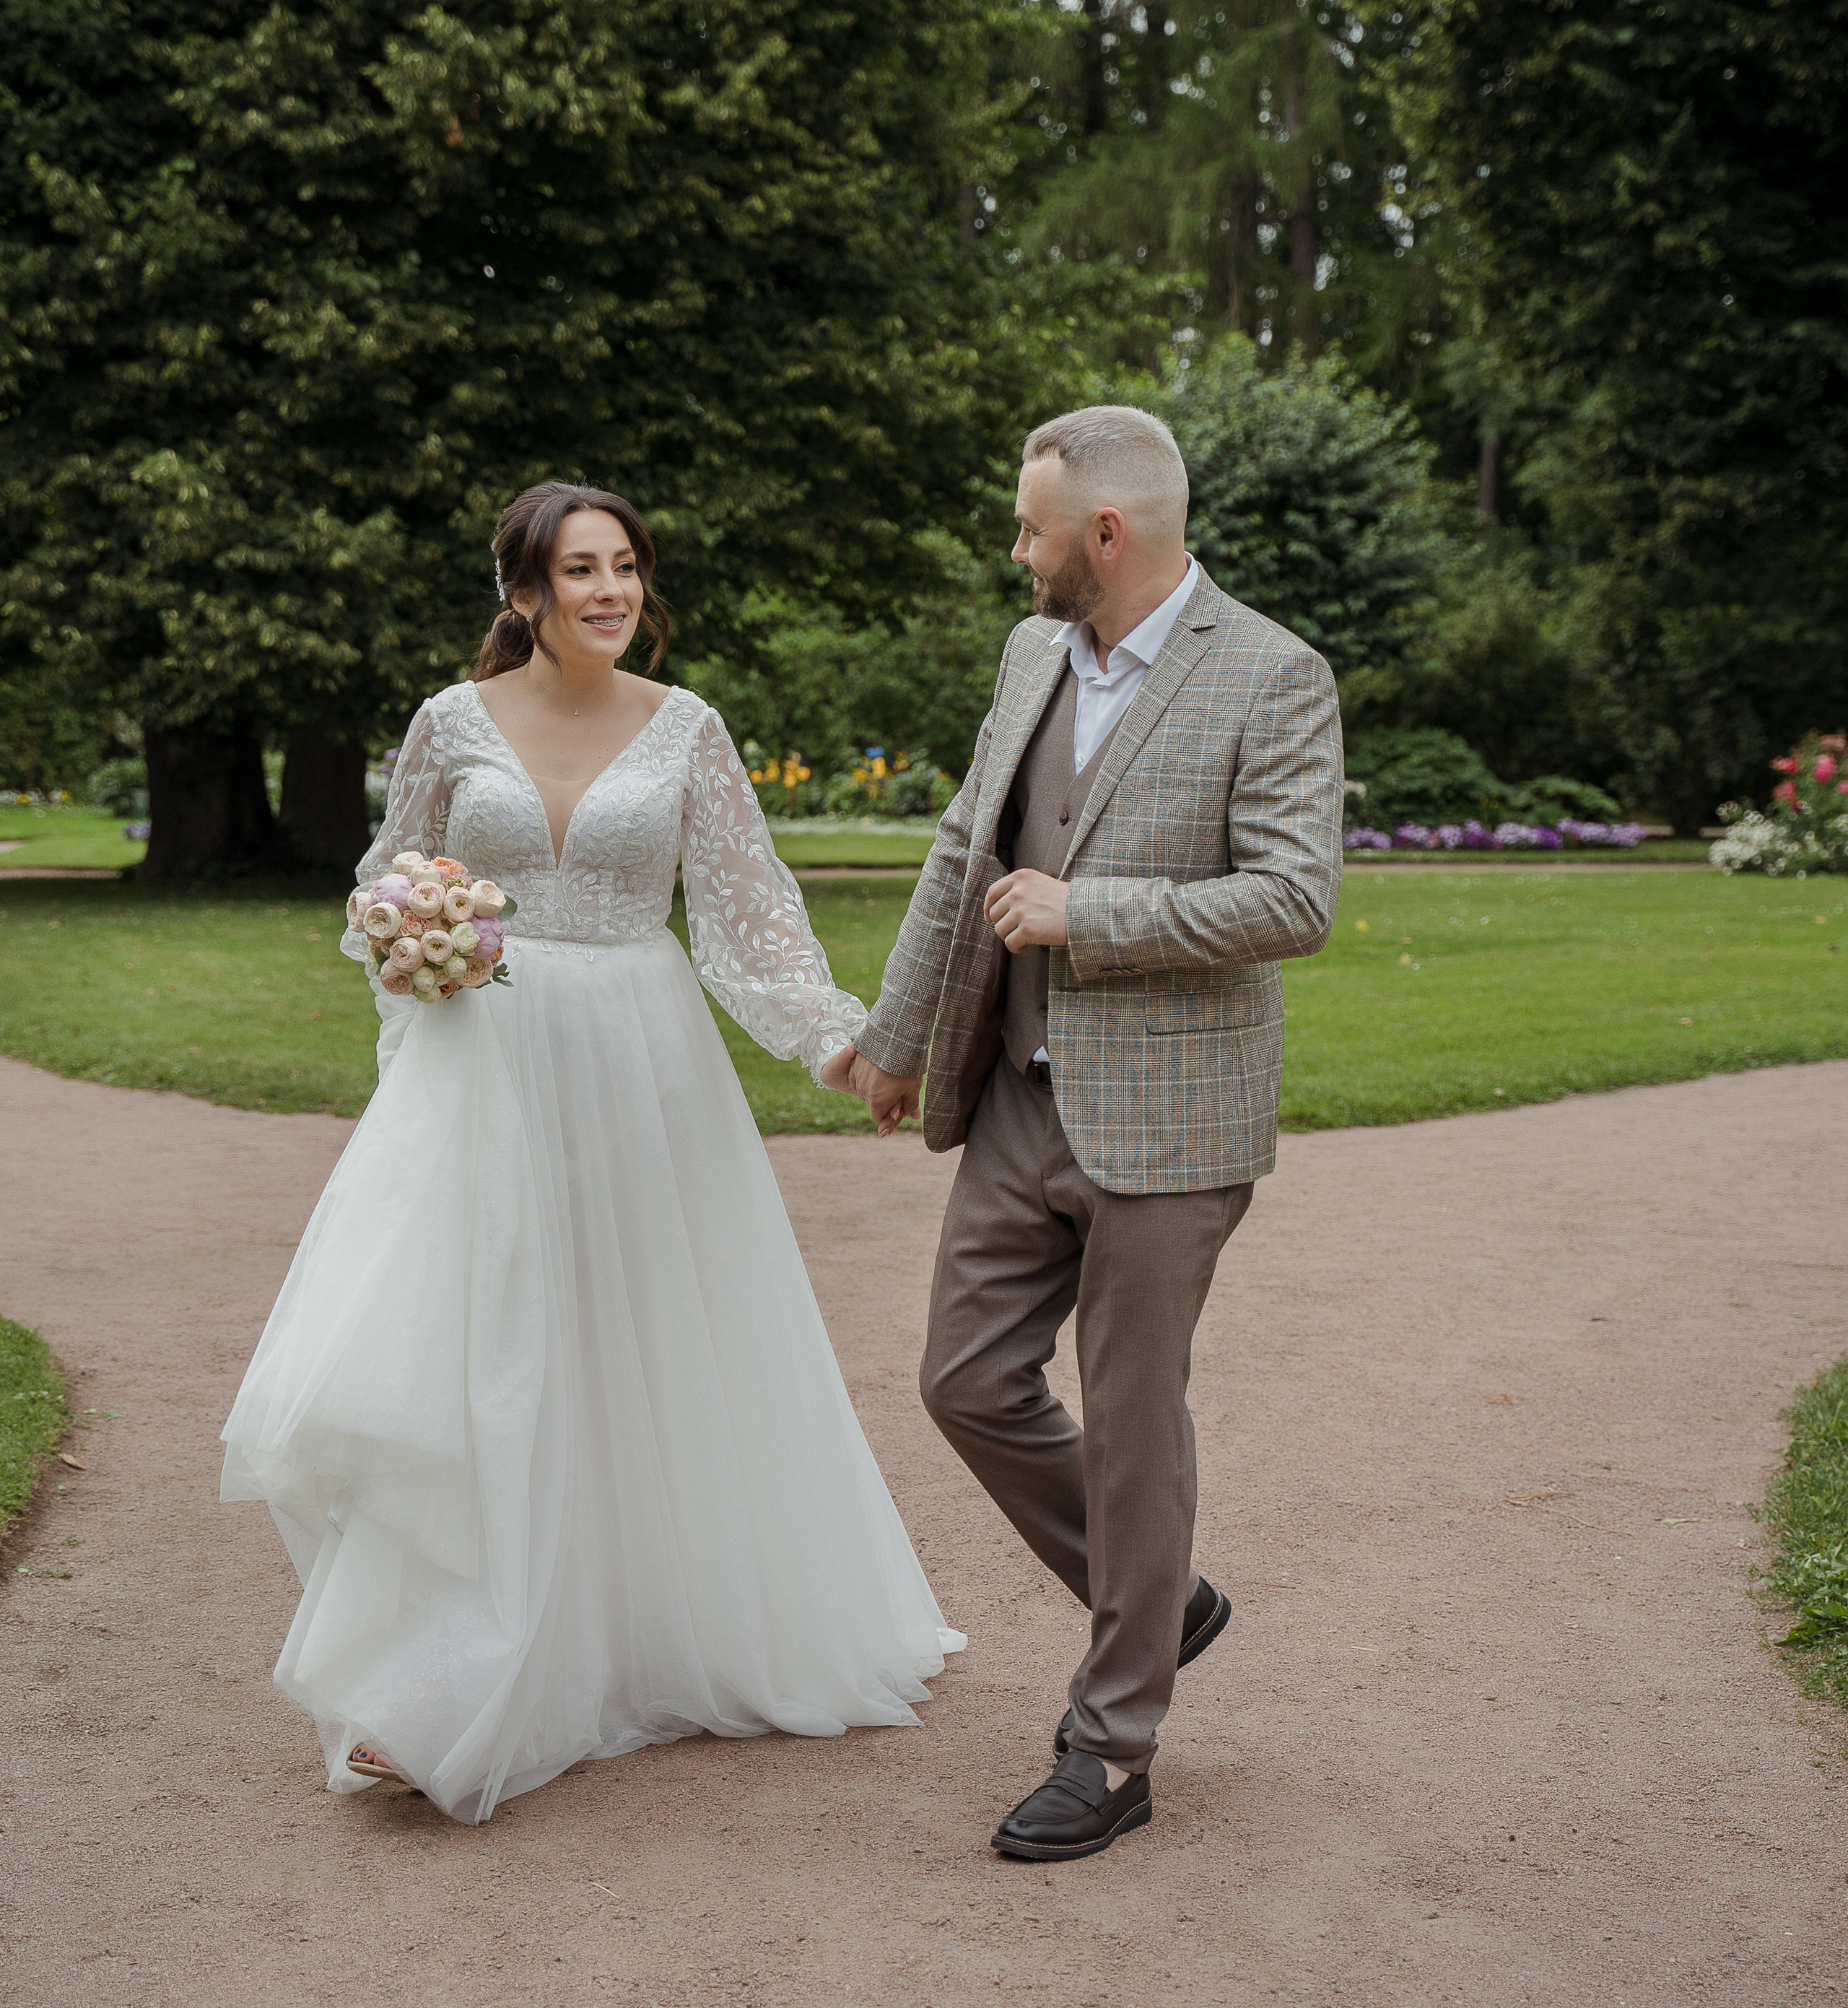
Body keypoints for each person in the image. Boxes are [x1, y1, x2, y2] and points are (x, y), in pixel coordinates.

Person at [222, 479, 962, 1823]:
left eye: (626, 567)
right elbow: (382, 885)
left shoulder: (687, 730)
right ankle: (434, 1683)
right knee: (478, 1353)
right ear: (524, 594)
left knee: (633, 1335)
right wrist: (414, 940)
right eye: (581, 571)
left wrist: (839, 1043)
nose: (613, 591)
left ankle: (639, 1632)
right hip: (481, 1062)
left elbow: (751, 920)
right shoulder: (453, 724)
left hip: (638, 1059)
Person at [834, 405, 1342, 1862]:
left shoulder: (1269, 675)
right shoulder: (1026, 656)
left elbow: (1293, 899)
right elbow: (960, 847)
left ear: (1103, 537)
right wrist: (900, 1036)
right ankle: (1160, 1602)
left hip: (1170, 1124)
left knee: (1130, 1424)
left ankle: (1113, 1747)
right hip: (1014, 1099)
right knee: (964, 1381)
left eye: (1029, 529)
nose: (1016, 551)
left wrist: (1088, 916)